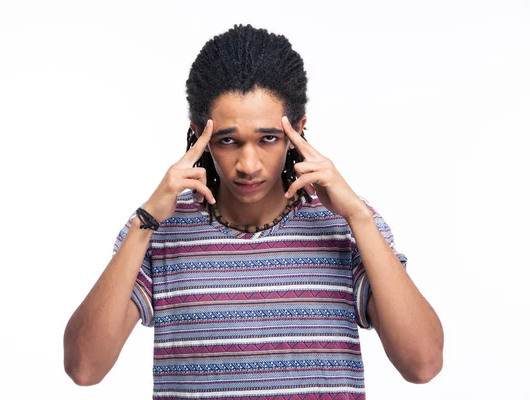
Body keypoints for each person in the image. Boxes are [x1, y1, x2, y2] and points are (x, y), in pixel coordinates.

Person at [63, 24, 444, 399]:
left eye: (268, 139)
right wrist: (145, 222)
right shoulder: (158, 229)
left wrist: (359, 218)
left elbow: (423, 364)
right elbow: (84, 368)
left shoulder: (347, 224)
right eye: (228, 140)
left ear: (298, 130)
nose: (248, 164)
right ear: (199, 135)